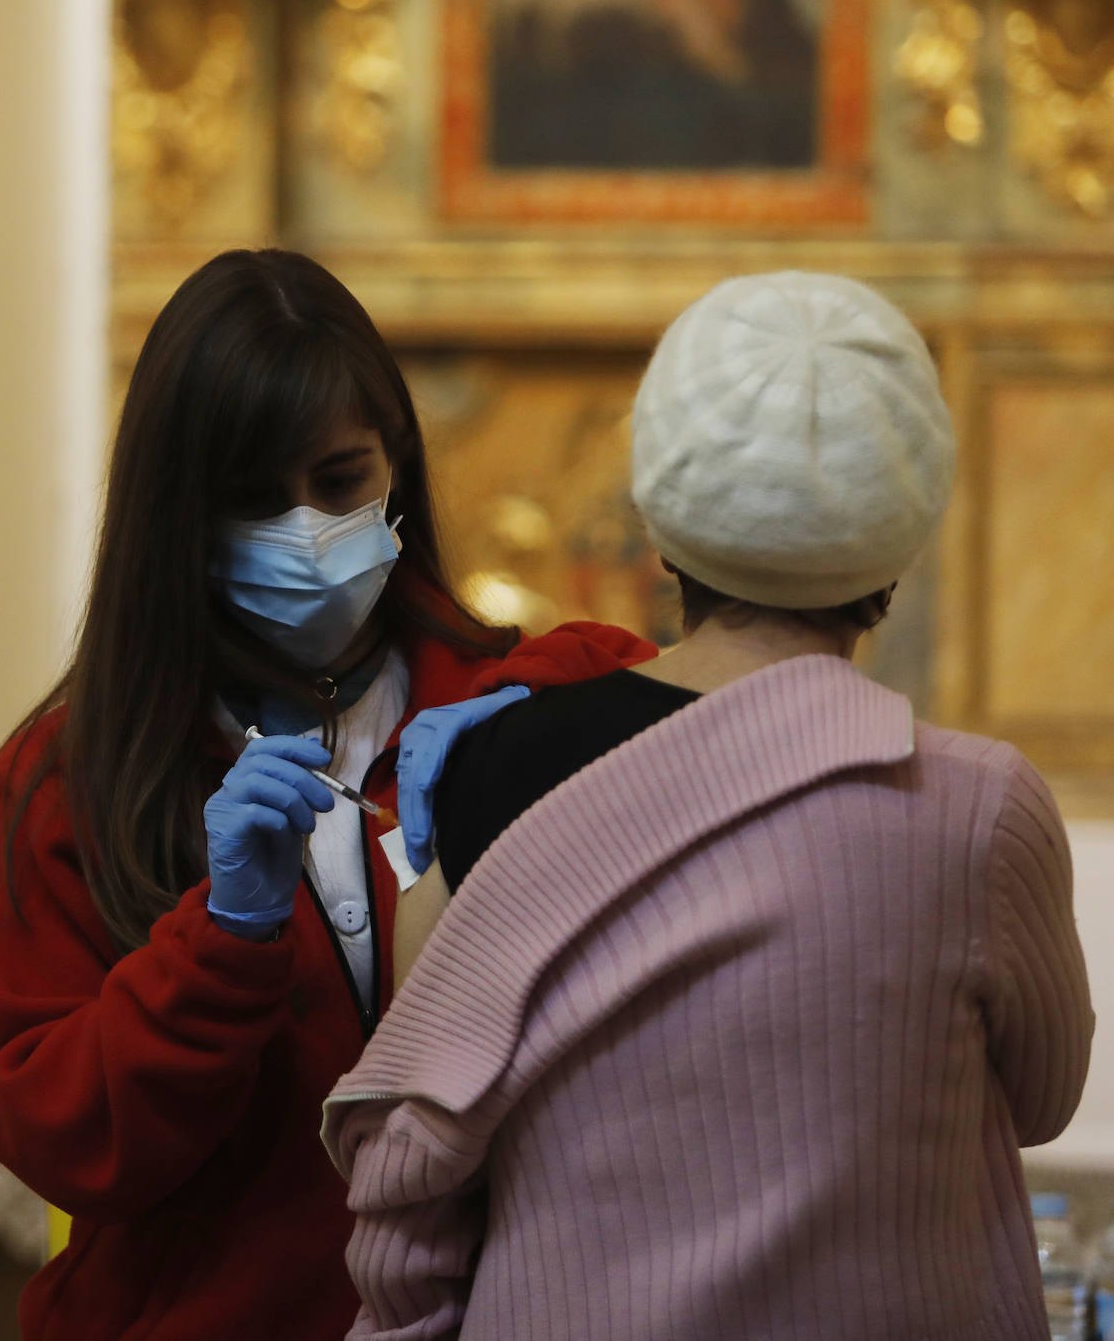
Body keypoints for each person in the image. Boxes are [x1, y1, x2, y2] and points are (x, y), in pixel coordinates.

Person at [323, 271, 1095, 1341]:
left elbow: (416, 1169)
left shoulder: (481, 771)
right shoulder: (979, 810)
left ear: (655, 509)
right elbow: (1045, 1096)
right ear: (906, 522)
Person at [0, 247, 654, 1341]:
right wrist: (221, 944)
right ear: (172, 515)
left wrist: (513, 695)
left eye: (337, 483)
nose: (304, 534)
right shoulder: (65, 783)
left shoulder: (497, 702)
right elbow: (62, 1139)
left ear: (397, 467)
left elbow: (688, 696)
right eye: (248, 502)